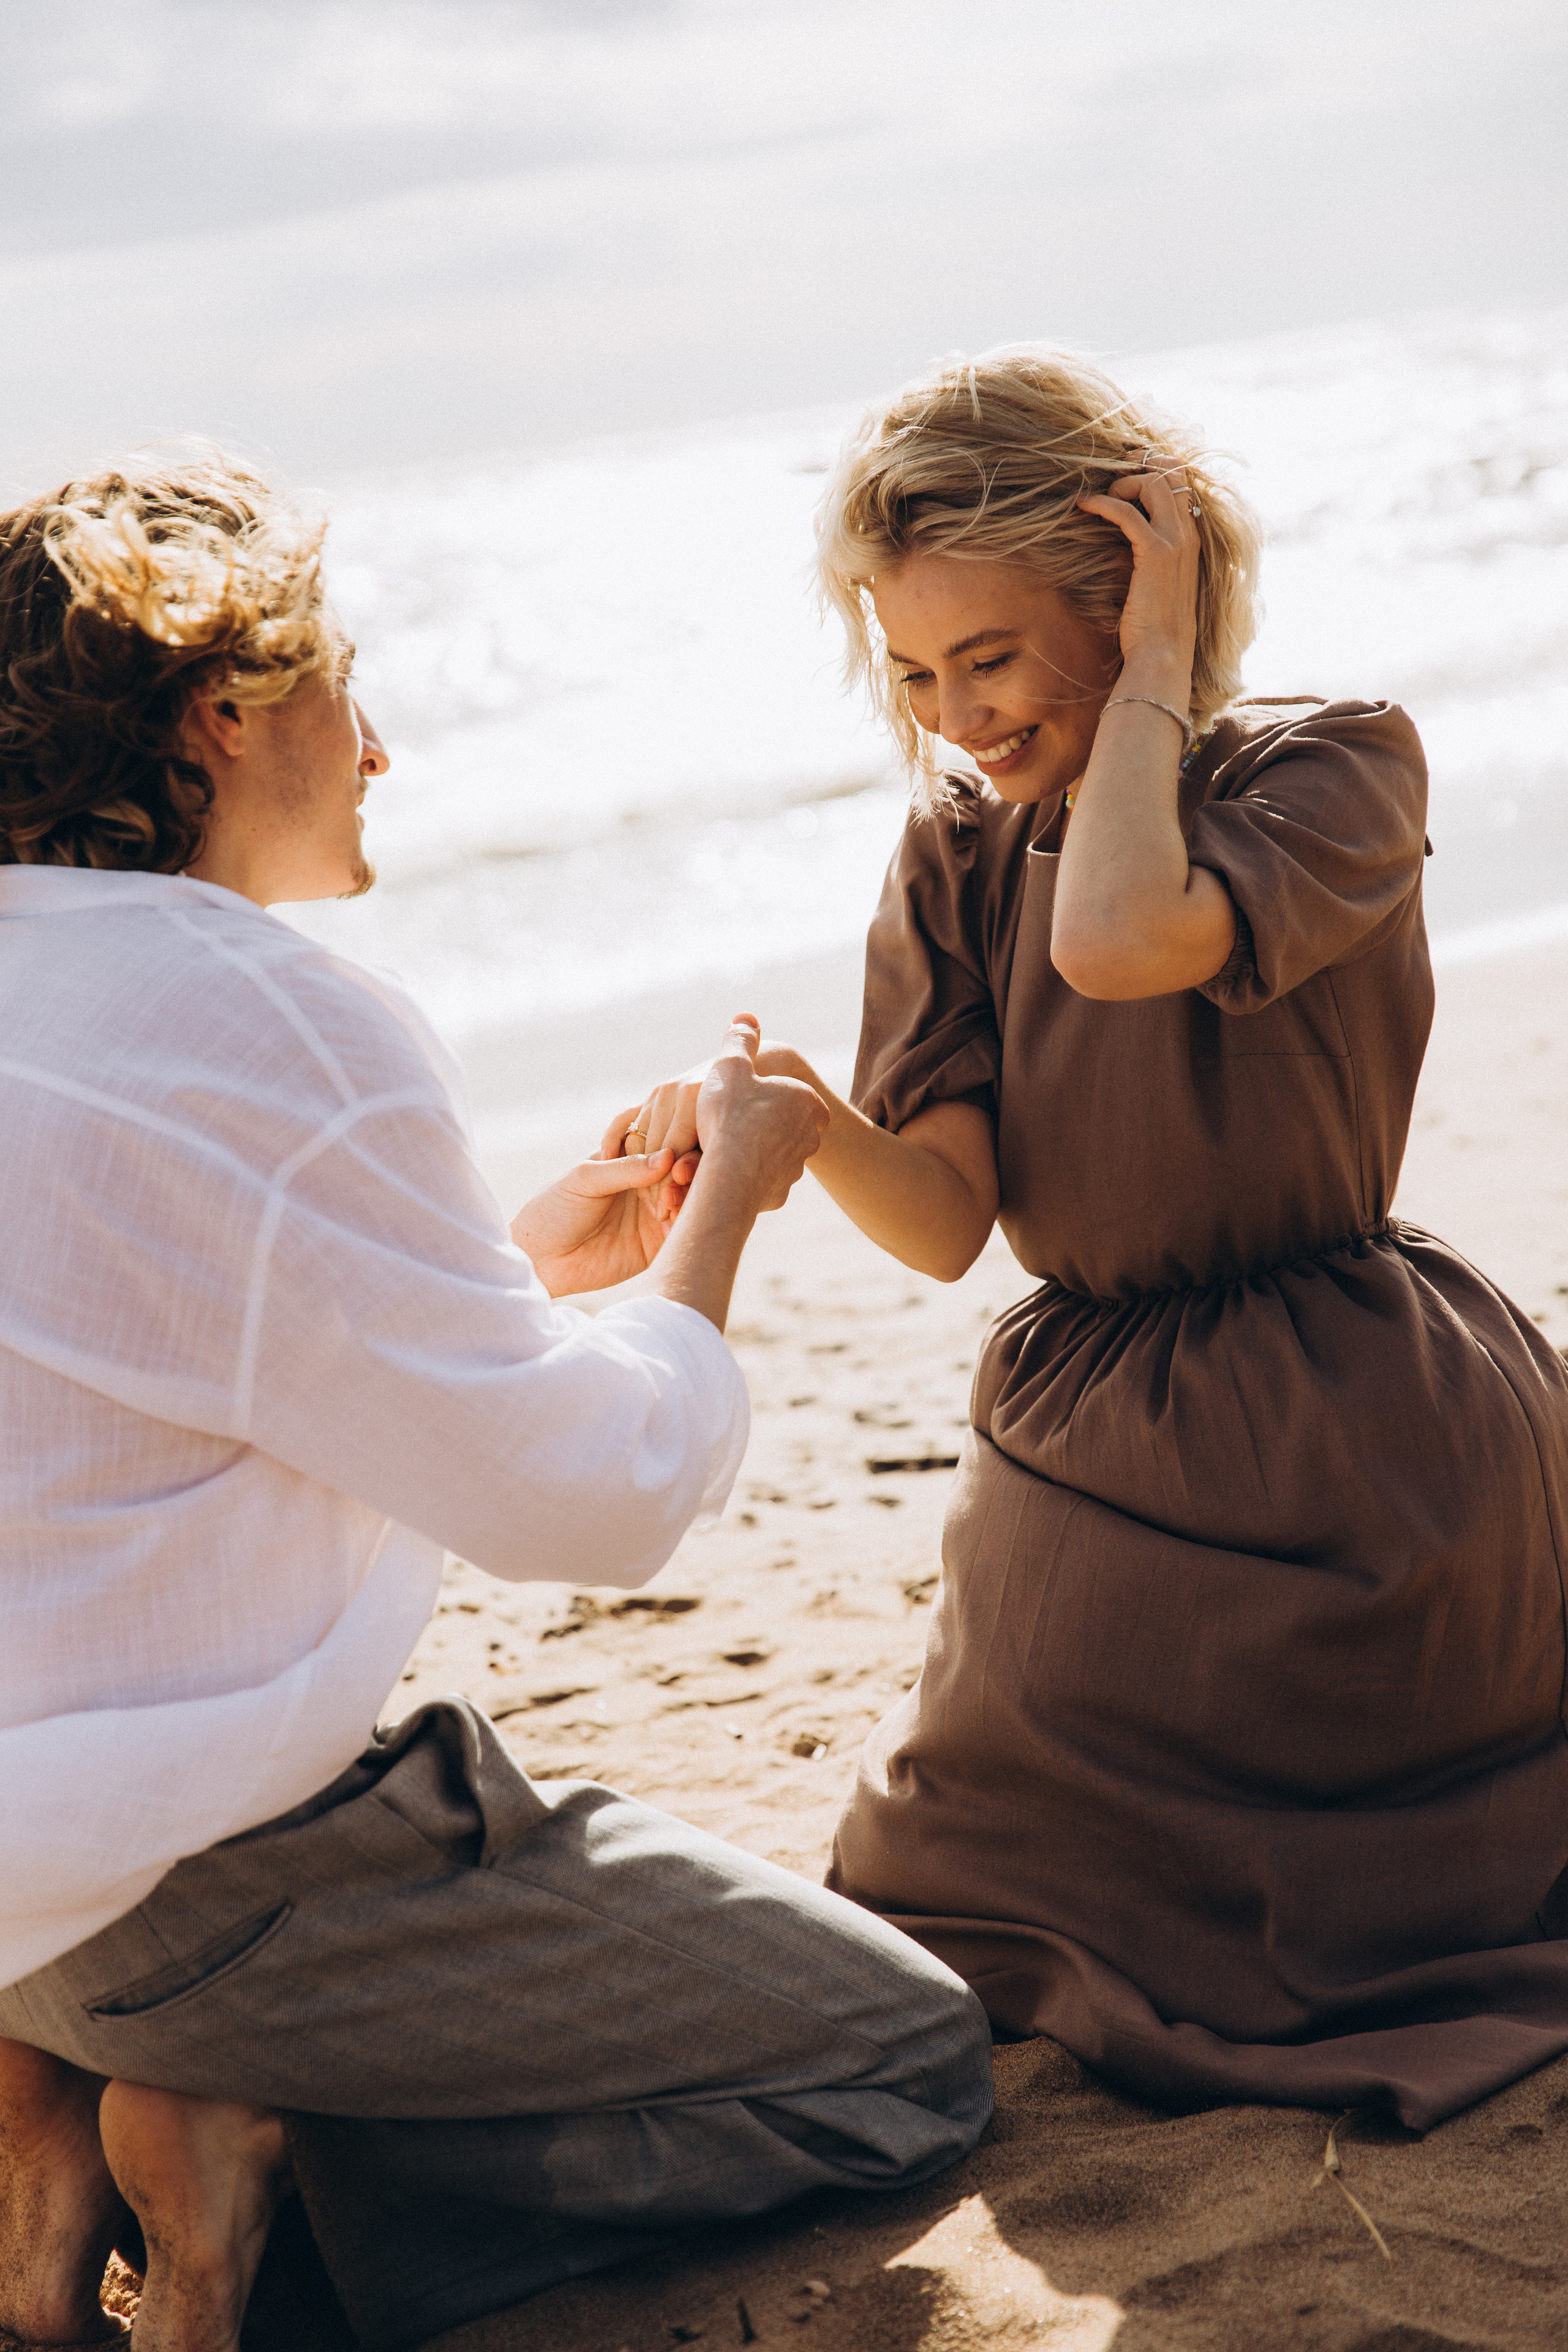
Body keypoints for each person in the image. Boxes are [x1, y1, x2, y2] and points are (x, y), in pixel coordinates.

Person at [0, 452, 993, 2352]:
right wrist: (721, 1229)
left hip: (16, 1881)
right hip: (195, 1879)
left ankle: (48, 2085)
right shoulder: (272, 1016)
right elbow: (593, 1503)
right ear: (224, 712)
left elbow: (139, 1386)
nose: (379, 750)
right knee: (900, 2061)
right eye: (344, 687)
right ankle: (252, 2134)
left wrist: (515, 1273)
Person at [620, 347, 1568, 2136]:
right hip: (1094, 1433)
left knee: (1303, 1917)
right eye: (914, 671)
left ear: (1138, 596)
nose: (958, 714)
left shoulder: (1336, 766)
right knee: (934, 1890)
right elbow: (946, 1223)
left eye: (992, 656)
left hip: (1359, 1424)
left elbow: (1129, 935)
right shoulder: (952, 858)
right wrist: (812, 1120)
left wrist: (1149, 687)